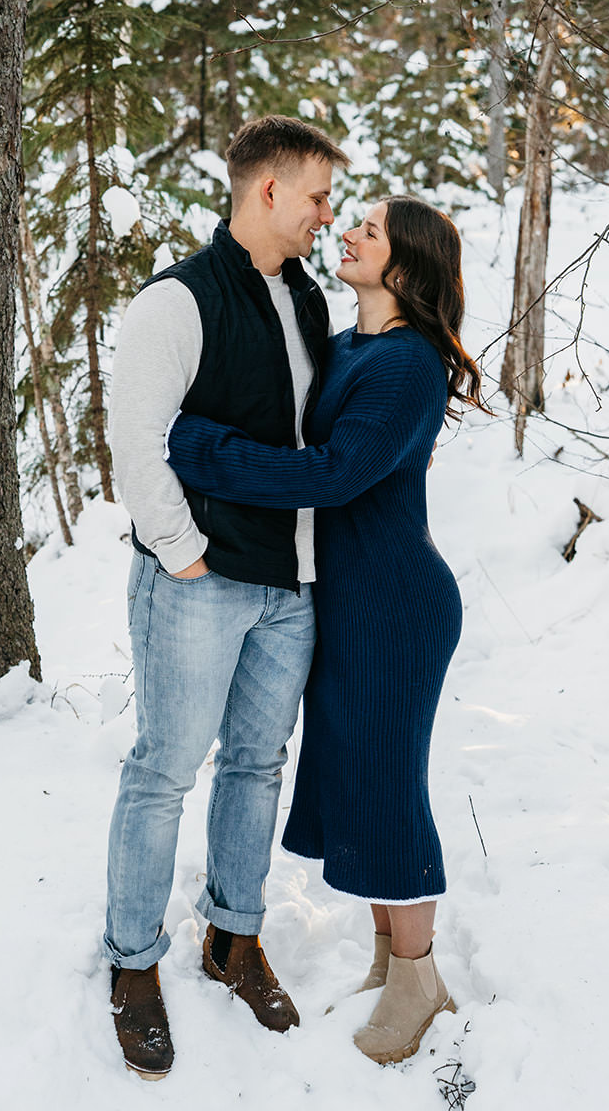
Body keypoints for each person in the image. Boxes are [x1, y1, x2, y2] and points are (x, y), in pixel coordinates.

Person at [168, 194, 483, 1065]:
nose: (347, 232)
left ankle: (421, 977)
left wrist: (200, 451)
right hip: (346, 599)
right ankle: (390, 963)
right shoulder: (349, 346)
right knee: (355, 775)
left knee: (386, 785)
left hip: (394, 605)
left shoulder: (410, 364)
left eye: (369, 230)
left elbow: (337, 474)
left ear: (407, 267)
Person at [104, 115, 349, 1080]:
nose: (327, 215)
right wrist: (180, 552)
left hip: (290, 586)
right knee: (165, 768)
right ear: (268, 193)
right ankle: (132, 963)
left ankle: (231, 937)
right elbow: (136, 438)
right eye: (319, 197)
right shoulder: (176, 301)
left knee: (255, 764)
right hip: (199, 583)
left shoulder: (309, 302)